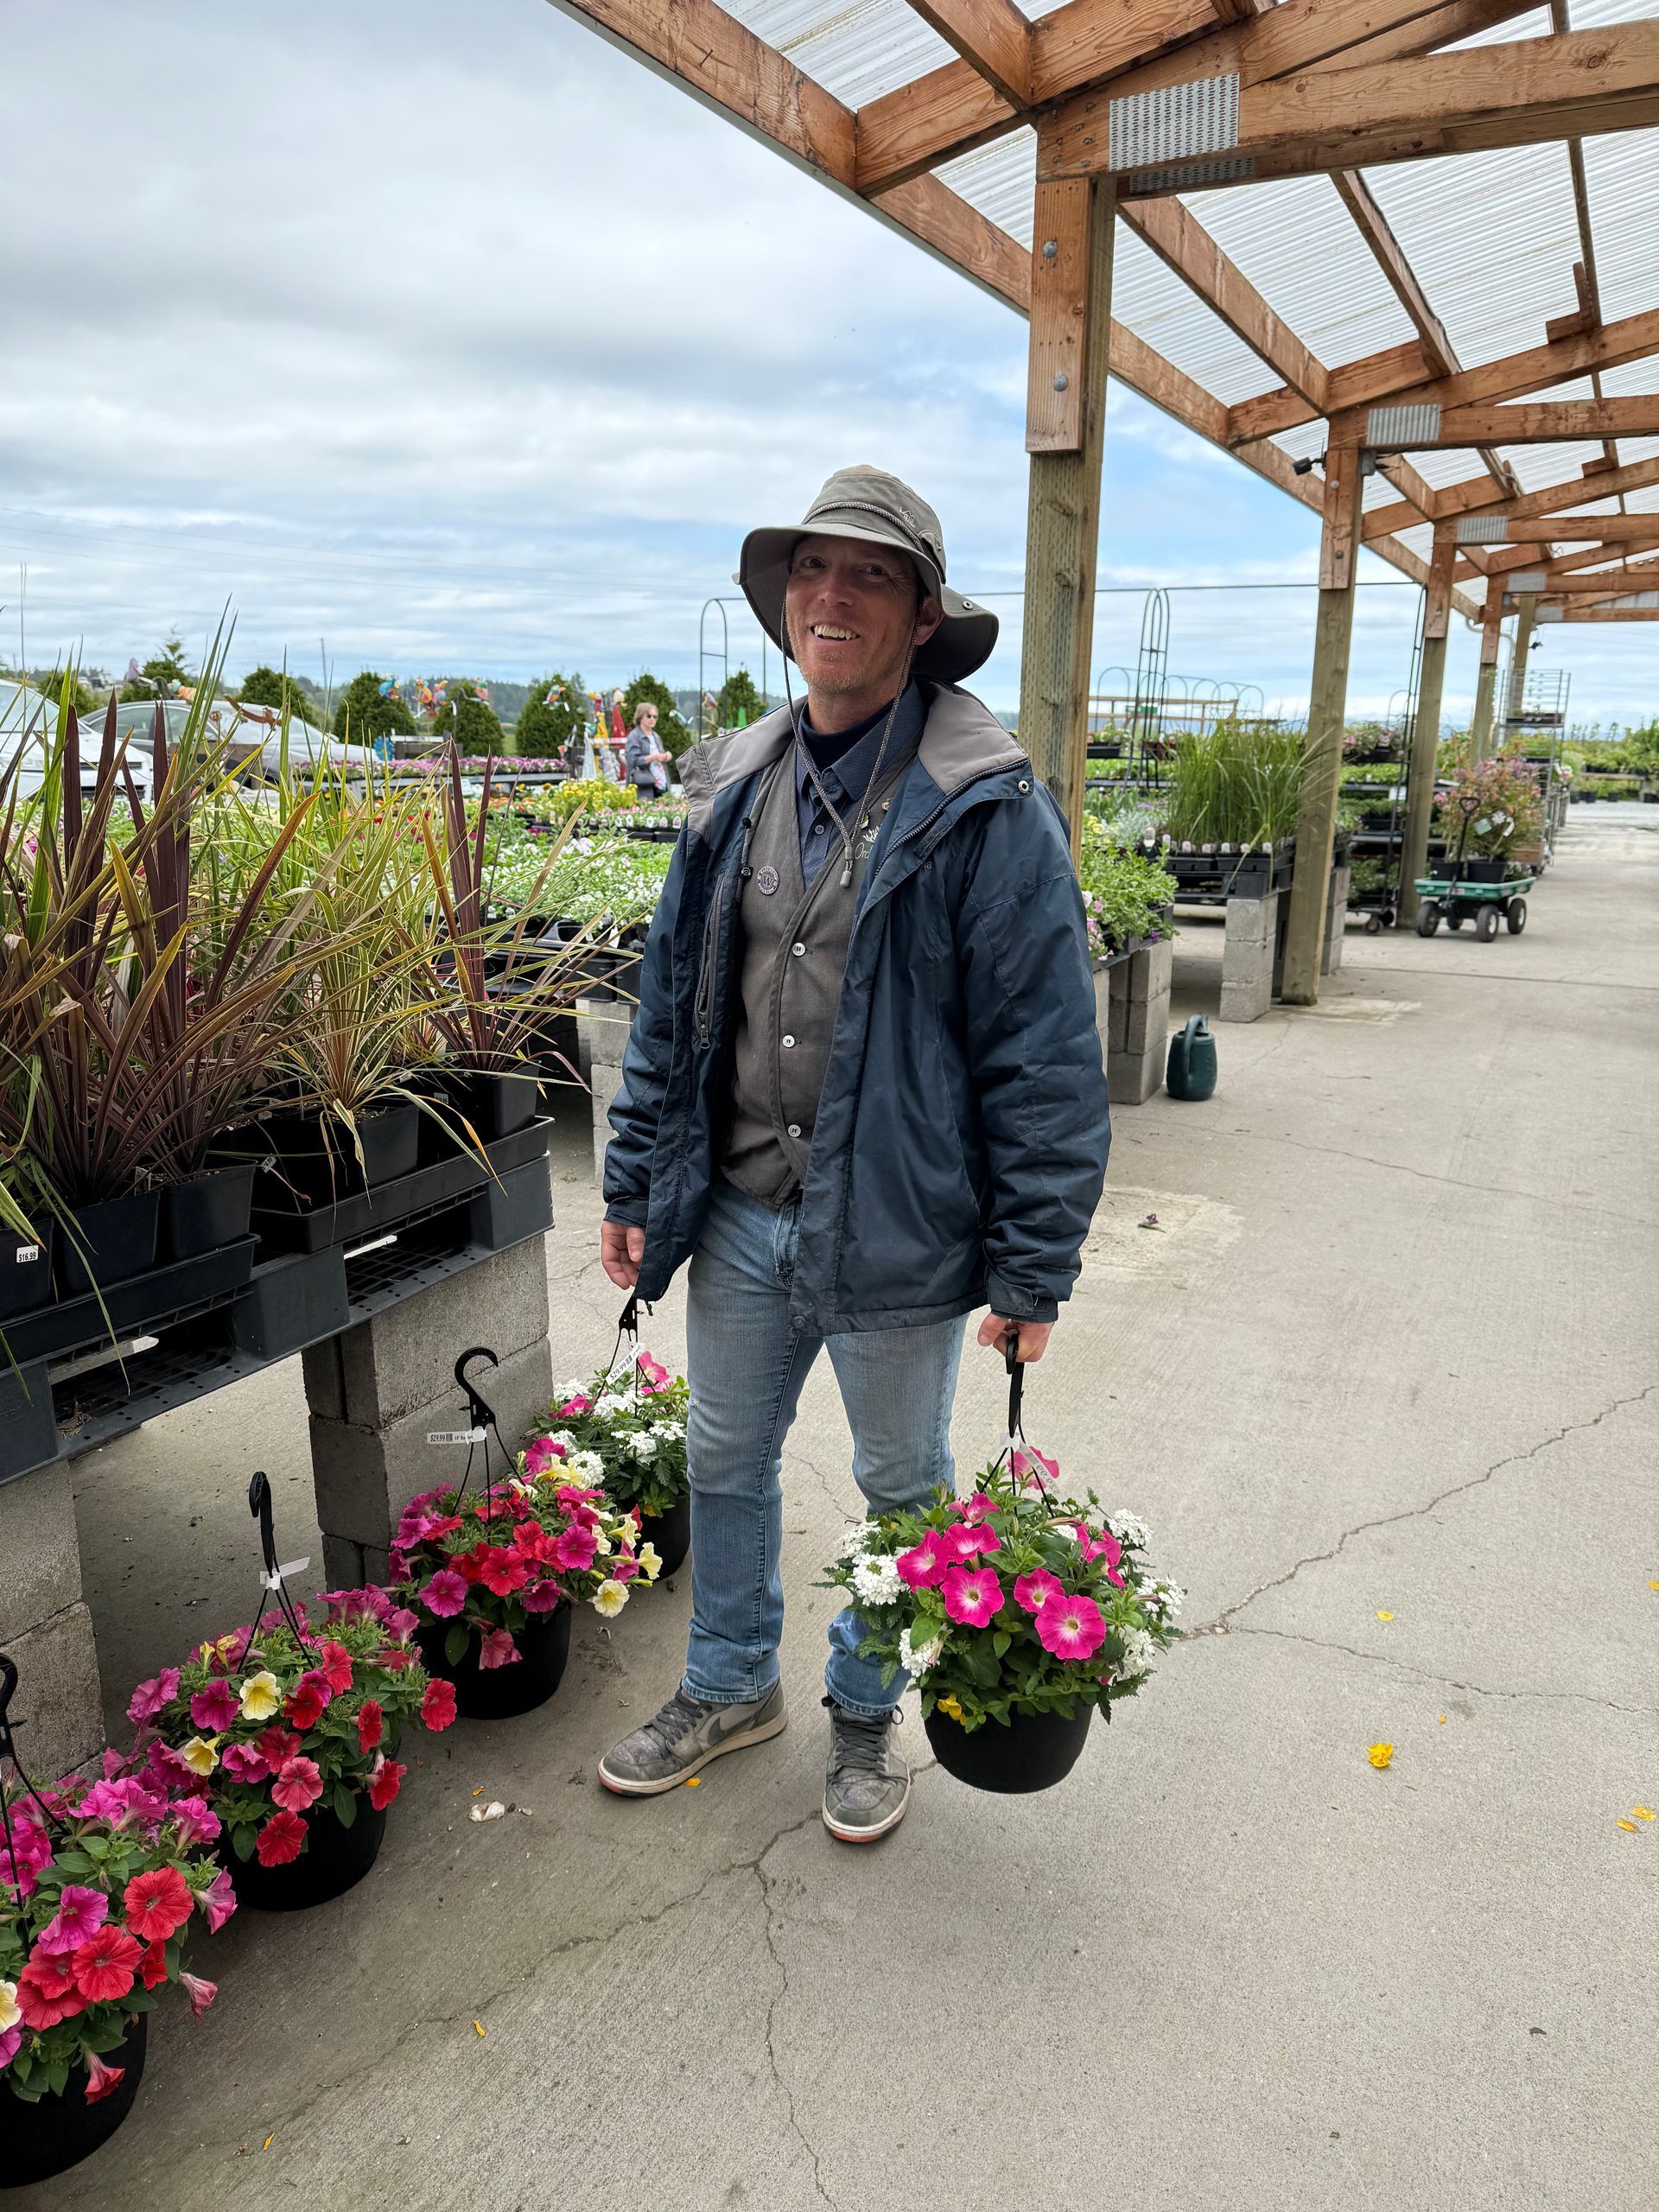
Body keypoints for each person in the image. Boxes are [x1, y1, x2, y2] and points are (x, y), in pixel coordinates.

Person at [594, 465, 1109, 1842]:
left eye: (868, 574)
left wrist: (1033, 1265)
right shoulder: (736, 788)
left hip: (896, 1227)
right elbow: (670, 1009)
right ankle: (726, 1683)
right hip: (748, 1217)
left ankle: (867, 1714)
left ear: (922, 614)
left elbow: (1046, 1055)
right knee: (722, 1458)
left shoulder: (985, 807)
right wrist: (640, 1179)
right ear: (785, 604)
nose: (831, 595)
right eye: (812, 571)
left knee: (901, 1487)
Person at [624, 702, 672, 799]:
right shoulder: (634, 736)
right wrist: (654, 757)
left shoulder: (656, 736)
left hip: (661, 784)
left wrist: (666, 756)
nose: (652, 719)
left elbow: (660, 756)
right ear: (640, 717)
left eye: (655, 717)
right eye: (649, 716)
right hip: (643, 785)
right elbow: (633, 761)